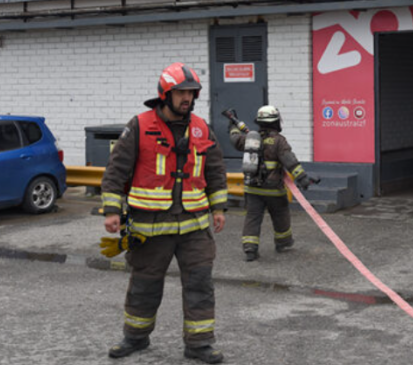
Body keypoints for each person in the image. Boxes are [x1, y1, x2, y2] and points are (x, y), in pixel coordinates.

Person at [100, 62, 228, 364]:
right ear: (165, 94)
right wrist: (111, 210)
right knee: (144, 285)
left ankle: (199, 344)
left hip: (194, 228)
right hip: (150, 227)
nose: (187, 98)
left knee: (200, 286)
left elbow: (215, 169)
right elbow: (116, 170)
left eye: (191, 92)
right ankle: (135, 338)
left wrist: (219, 207)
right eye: (181, 92)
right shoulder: (140, 126)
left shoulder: (201, 127)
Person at [229, 105, 315, 262]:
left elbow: (235, 141)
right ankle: (283, 242)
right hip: (274, 190)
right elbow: (290, 162)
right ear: (276, 122)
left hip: (253, 189)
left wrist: (233, 127)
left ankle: (250, 249)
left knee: (253, 217)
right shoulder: (279, 141)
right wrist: (302, 178)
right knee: (280, 215)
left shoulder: (250, 139)